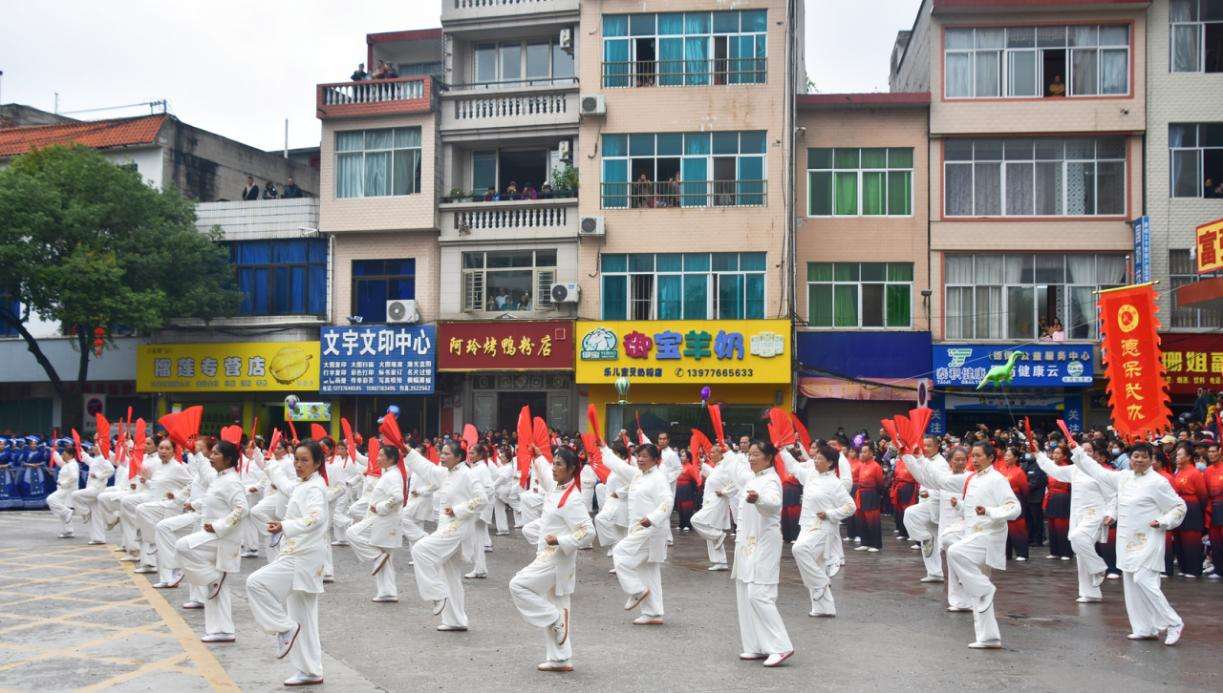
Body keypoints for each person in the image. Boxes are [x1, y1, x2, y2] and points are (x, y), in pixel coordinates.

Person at [1071, 442, 1186, 644]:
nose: (1139, 460)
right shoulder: (1123, 477)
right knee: (1131, 583)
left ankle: (1173, 622)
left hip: (1149, 538)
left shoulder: (1157, 482)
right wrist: (1077, 451)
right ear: (1130, 458)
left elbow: (1179, 507)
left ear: (1152, 460)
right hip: (1127, 541)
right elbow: (1097, 471)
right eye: (1135, 456)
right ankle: (1145, 628)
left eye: (1143, 457)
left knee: (1144, 580)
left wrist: (1163, 522)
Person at [909, 442, 1020, 649]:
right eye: (973, 457)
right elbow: (935, 480)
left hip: (989, 536)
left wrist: (989, 511)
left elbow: (1014, 507)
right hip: (973, 536)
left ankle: (985, 589)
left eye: (978, 456)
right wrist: (914, 457)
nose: (974, 460)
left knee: (955, 551)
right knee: (976, 586)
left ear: (990, 458)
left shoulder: (997, 479)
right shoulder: (969, 478)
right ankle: (989, 637)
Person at [245, 439, 330, 687]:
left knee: (255, 583)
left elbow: (316, 518)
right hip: (302, 555)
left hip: (302, 556)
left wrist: (285, 525)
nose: (298, 464)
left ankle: (283, 628)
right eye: (296, 459)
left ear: (317, 463)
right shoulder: (305, 484)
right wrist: (264, 460)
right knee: (304, 616)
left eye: (305, 460)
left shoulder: (314, 488)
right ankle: (311, 671)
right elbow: (284, 485)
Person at [509, 447, 594, 673]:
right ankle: (560, 658)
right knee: (557, 603)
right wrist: (538, 455)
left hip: (555, 559)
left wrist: (561, 539)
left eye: (559, 464)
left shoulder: (573, 499)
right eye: (553, 463)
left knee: (518, 585)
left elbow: (588, 532)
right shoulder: (556, 487)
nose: (554, 468)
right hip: (549, 556)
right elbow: (546, 472)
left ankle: (552, 618)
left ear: (572, 469)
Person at [407, 441, 487, 632]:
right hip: (447, 526)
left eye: (446, 454)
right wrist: (407, 451)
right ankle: (456, 620)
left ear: (459, 457)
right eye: (441, 453)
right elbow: (427, 468)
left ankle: (436, 592)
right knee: (450, 574)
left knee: (420, 549)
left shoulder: (468, 474)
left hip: (458, 527)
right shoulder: (445, 473)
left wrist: (458, 509)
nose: (442, 457)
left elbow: (482, 498)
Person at [176, 439, 248, 643]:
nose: (211, 456)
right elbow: (211, 500)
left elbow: (242, 509)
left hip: (223, 539)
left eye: (216, 454)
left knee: (183, 546)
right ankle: (222, 630)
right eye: (212, 453)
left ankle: (212, 577)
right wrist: (195, 505)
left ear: (228, 459)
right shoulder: (219, 478)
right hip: (213, 536)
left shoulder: (232, 481)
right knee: (217, 590)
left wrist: (219, 526)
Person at [734, 441, 794, 667]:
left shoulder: (771, 480)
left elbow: (773, 503)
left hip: (765, 542)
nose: (751, 458)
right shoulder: (752, 479)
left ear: (769, 458)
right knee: (745, 592)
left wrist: (758, 499)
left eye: (756, 454)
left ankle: (781, 646)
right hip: (746, 543)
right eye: (749, 454)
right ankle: (755, 646)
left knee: (759, 593)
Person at [782, 443, 855, 618]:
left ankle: (821, 582)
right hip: (807, 525)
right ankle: (824, 608)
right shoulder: (810, 475)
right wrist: (781, 450)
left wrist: (831, 514)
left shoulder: (835, 484)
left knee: (799, 550)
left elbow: (851, 507)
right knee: (817, 565)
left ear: (830, 463)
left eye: (819, 458)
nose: (815, 460)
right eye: (815, 457)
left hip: (823, 528)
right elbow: (793, 467)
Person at [1037, 440, 1115, 602]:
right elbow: (1054, 470)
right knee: (1079, 551)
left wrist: (1111, 513)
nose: (1085, 454)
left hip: (1096, 515)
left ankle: (1099, 567)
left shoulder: (1100, 472)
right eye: (1082, 450)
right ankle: (1090, 593)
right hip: (1078, 515)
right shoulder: (1074, 470)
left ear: (1094, 454)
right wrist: (1037, 453)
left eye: (1089, 451)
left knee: (1078, 538)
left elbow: (1112, 495)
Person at [606, 442, 672, 625]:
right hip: (640, 528)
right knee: (648, 570)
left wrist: (652, 518)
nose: (640, 459)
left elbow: (667, 502)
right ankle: (654, 613)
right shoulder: (638, 474)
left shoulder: (659, 478)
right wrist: (603, 449)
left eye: (645, 456)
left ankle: (636, 590)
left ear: (656, 460)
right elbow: (620, 467)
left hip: (649, 529)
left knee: (620, 552)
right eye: (638, 455)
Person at [346, 445, 406, 602]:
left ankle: (376, 556)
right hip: (384, 519)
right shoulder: (389, 473)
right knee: (386, 558)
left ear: (391, 459)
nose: (377, 458)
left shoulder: (392, 475)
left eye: (381, 455)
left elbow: (398, 497)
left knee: (352, 533)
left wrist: (380, 507)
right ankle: (388, 592)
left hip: (385, 519)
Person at [132, 439, 193, 576]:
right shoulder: (158, 466)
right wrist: (146, 481)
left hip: (168, 507)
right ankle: (159, 571)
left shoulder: (178, 467)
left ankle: (171, 574)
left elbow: (192, 484)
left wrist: (177, 497)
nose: (163, 451)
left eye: (167, 448)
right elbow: (156, 486)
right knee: (150, 531)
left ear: (173, 451)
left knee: (142, 512)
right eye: (161, 448)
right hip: (155, 505)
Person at [691, 443, 744, 571]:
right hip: (710, 500)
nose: (711, 454)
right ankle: (720, 561)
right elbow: (713, 476)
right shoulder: (718, 467)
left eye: (714, 452)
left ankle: (718, 536)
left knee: (696, 520)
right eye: (711, 452)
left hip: (717, 500)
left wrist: (725, 491)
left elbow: (737, 482)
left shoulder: (727, 466)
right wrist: (702, 465)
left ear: (721, 454)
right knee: (711, 527)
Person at [903, 437, 947, 583]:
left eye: (929, 446)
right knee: (929, 541)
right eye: (924, 445)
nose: (926, 448)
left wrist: (931, 493)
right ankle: (934, 572)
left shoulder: (941, 463)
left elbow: (944, 485)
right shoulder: (926, 460)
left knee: (911, 513)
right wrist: (905, 455)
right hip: (927, 504)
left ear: (937, 446)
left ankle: (924, 537)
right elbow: (917, 471)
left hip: (937, 505)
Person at [1171, 443, 1208, 578]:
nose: (1177, 457)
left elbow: (1202, 495)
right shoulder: (1178, 472)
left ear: (1188, 457)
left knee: (1191, 539)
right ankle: (1184, 567)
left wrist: (1203, 513)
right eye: (1177, 454)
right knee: (1180, 539)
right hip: (1179, 506)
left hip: (1192, 507)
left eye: (1180, 454)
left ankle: (1193, 569)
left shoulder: (1195, 472)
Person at [73, 440, 114, 544]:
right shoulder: (96, 459)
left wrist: (98, 475)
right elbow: (89, 461)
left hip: (97, 488)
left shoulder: (103, 458)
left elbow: (111, 470)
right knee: (96, 515)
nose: (93, 448)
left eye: (95, 446)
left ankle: (84, 511)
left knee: (75, 495)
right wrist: (82, 452)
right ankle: (98, 538)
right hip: (93, 488)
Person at [1043, 445, 1074, 561]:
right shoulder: (1051, 468)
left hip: (1063, 498)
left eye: (1058, 453)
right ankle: (1054, 551)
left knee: (1062, 526)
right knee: (1052, 526)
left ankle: (1066, 552)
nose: (1054, 455)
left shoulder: (1068, 469)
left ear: (1064, 456)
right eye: (1054, 453)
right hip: (1051, 497)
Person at [46, 440, 81, 538]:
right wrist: (54, 452)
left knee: (51, 499)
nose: (62, 455)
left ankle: (67, 512)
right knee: (63, 512)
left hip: (67, 490)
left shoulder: (72, 465)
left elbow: (74, 477)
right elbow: (59, 461)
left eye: (64, 454)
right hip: (63, 490)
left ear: (70, 455)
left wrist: (63, 483)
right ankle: (68, 531)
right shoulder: (67, 463)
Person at [853, 446, 884, 552]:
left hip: (871, 493)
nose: (862, 454)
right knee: (861, 519)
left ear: (871, 453)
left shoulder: (876, 466)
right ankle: (865, 542)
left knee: (873, 520)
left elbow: (880, 483)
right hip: (861, 493)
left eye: (865, 452)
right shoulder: (862, 465)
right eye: (861, 452)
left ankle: (875, 544)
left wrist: (878, 495)